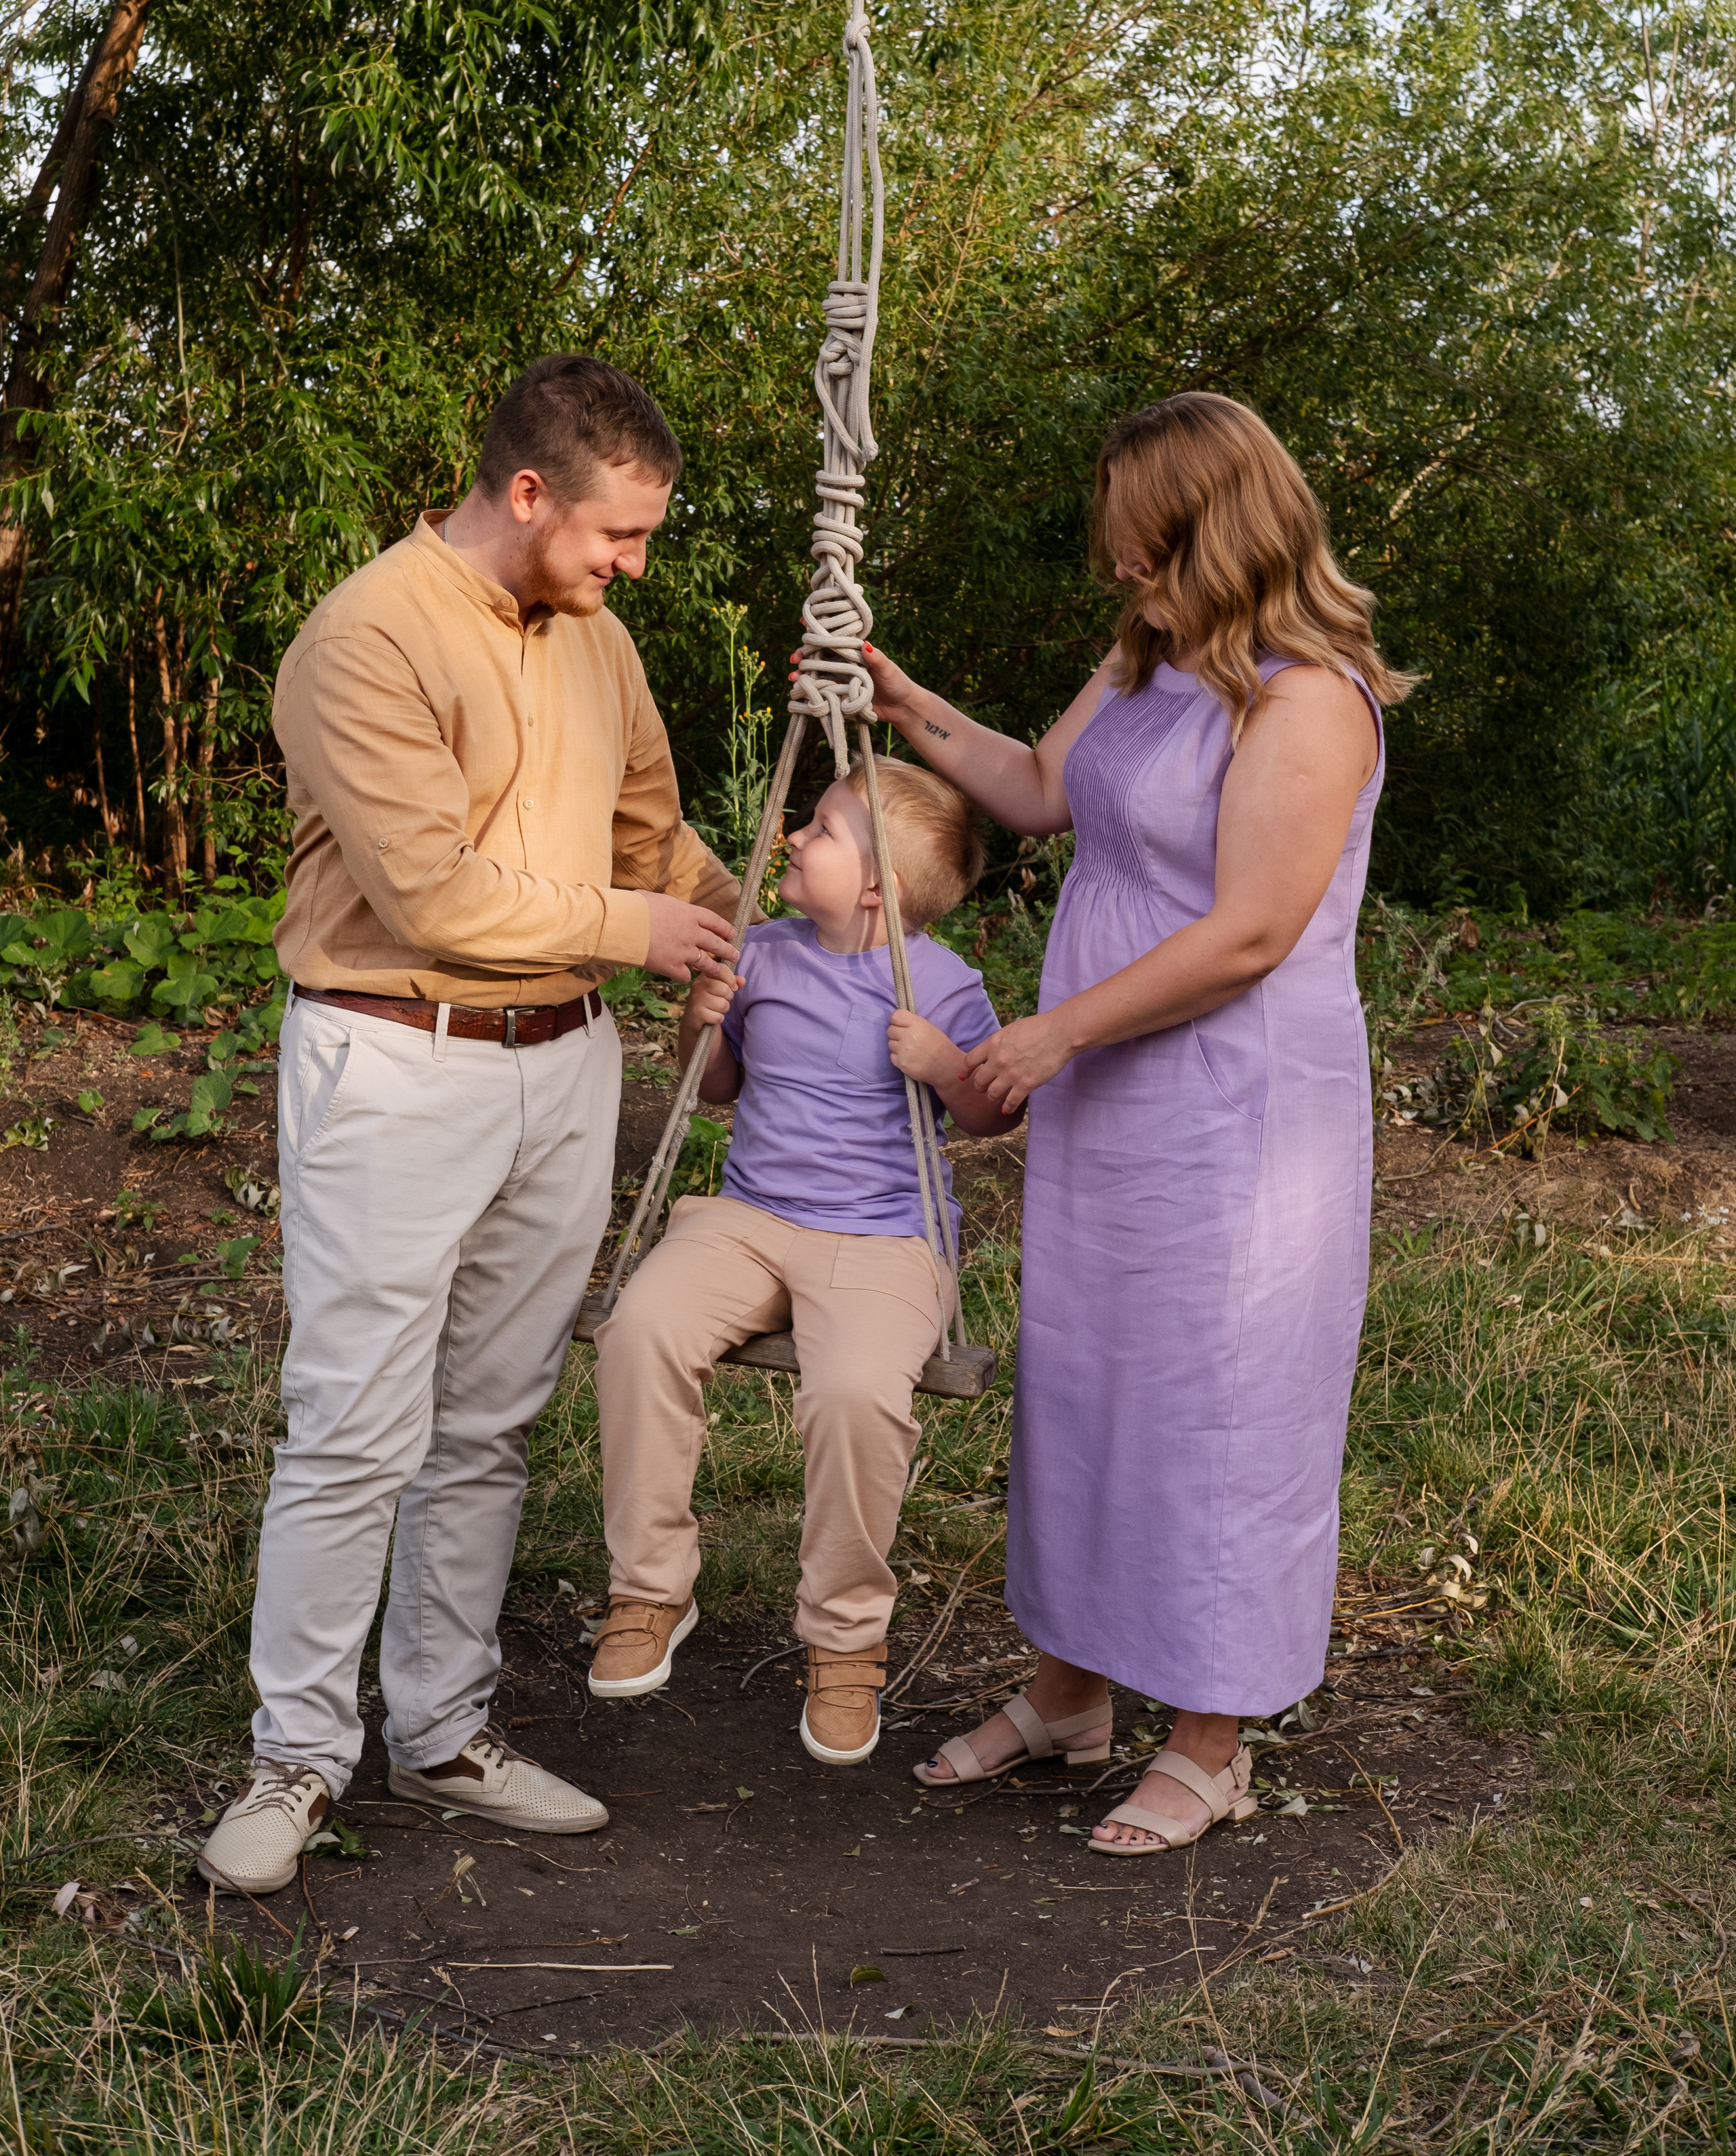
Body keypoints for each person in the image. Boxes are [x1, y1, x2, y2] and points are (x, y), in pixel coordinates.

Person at [199, 355, 743, 1895]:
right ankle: (297, 1757)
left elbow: (653, 833)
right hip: (395, 1057)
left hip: (564, 1063)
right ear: (525, 494)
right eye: (613, 537)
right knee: (354, 1426)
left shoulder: (598, 638)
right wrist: (643, 928)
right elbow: (430, 888)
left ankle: (441, 1732)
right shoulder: (362, 636)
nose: (629, 566)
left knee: (488, 1421)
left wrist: (753, 916)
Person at [861, 391, 1413, 1853]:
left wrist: (1045, 1034)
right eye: (1118, 564)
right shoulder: (1146, 663)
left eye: (1146, 558)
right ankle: (1067, 1695)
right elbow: (1040, 790)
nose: (1126, 584)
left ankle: (1210, 1735)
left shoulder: (1305, 701)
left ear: (1220, 540)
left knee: (1217, 1408)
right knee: (1088, 1382)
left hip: (1235, 1110)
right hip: (1113, 1094)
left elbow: (1246, 935)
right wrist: (904, 704)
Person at [587, 759, 1020, 1763]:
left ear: (876, 887)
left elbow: (996, 1111)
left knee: (859, 1391)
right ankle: (650, 1590)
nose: (792, 836)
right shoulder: (763, 954)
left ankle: (844, 1641)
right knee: (641, 1327)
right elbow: (718, 1092)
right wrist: (703, 1032)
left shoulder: (941, 983)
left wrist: (947, 1068)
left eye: (821, 829)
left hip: (884, 1235)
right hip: (750, 1216)